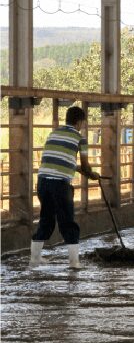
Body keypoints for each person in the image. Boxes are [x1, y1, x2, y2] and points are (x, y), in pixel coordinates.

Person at [29, 106, 100, 269]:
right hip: (60, 184)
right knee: (67, 222)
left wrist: (83, 171)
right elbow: (85, 166)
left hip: (42, 182)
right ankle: (74, 263)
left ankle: (34, 259)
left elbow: (62, 160)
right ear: (80, 121)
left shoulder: (54, 133)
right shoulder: (80, 138)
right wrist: (92, 175)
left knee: (46, 219)